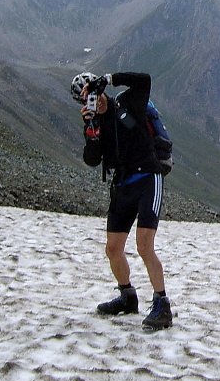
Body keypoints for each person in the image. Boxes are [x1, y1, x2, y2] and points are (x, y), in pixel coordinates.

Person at [71, 70, 173, 330]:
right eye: (86, 99)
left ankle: (162, 305)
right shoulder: (95, 123)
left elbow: (144, 80)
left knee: (144, 245)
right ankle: (127, 296)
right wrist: (90, 130)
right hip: (123, 185)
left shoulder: (128, 102)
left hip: (148, 177)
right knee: (113, 248)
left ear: (100, 90)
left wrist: (109, 78)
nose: (93, 101)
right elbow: (92, 159)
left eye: (93, 93)